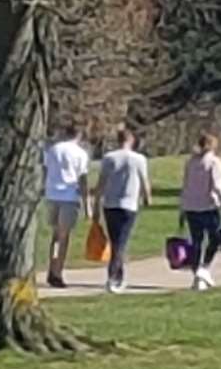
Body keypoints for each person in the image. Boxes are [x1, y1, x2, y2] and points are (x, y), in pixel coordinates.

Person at [94, 126, 151, 293]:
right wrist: (147, 197)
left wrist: (96, 202)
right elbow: (144, 180)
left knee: (116, 241)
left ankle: (119, 275)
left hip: (110, 204)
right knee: (121, 242)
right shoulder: (139, 159)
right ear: (131, 140)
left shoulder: (109, 158)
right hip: (129, 204)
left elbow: (101, 182)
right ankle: (113, 277)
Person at [179, 131, 221, 291]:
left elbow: (185, 185)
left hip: (191, 206)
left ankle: (198, 276)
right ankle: (203, 269)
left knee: (197, 241)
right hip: (208, 206)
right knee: (215, 239)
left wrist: (182, 206)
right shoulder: (214, 162)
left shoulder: (190, 162)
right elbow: (217, 186)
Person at [42, 122, 91, 288]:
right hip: (69, 196)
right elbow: (83, 180)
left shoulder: (53, 150)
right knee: (64, 237)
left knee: (55, 235)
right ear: (79, 135)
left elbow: (45, 169)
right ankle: (57, 272)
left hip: (52, 194)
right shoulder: (80, 154)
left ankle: (52, 266)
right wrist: (87, 204)